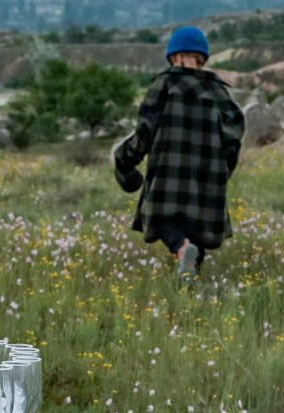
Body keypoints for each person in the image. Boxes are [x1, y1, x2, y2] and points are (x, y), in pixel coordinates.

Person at [114, 26, 245, 282]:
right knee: (200, 231)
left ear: (173, 57)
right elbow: (234, 138)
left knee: (161, 219)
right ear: (203, 58)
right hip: (209, 179)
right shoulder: (219, 93)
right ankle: (190, 278)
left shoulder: (165, 85)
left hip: (168, 175)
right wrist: (224, 171)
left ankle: (182, 250)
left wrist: (125, 158)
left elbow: (144, 132)